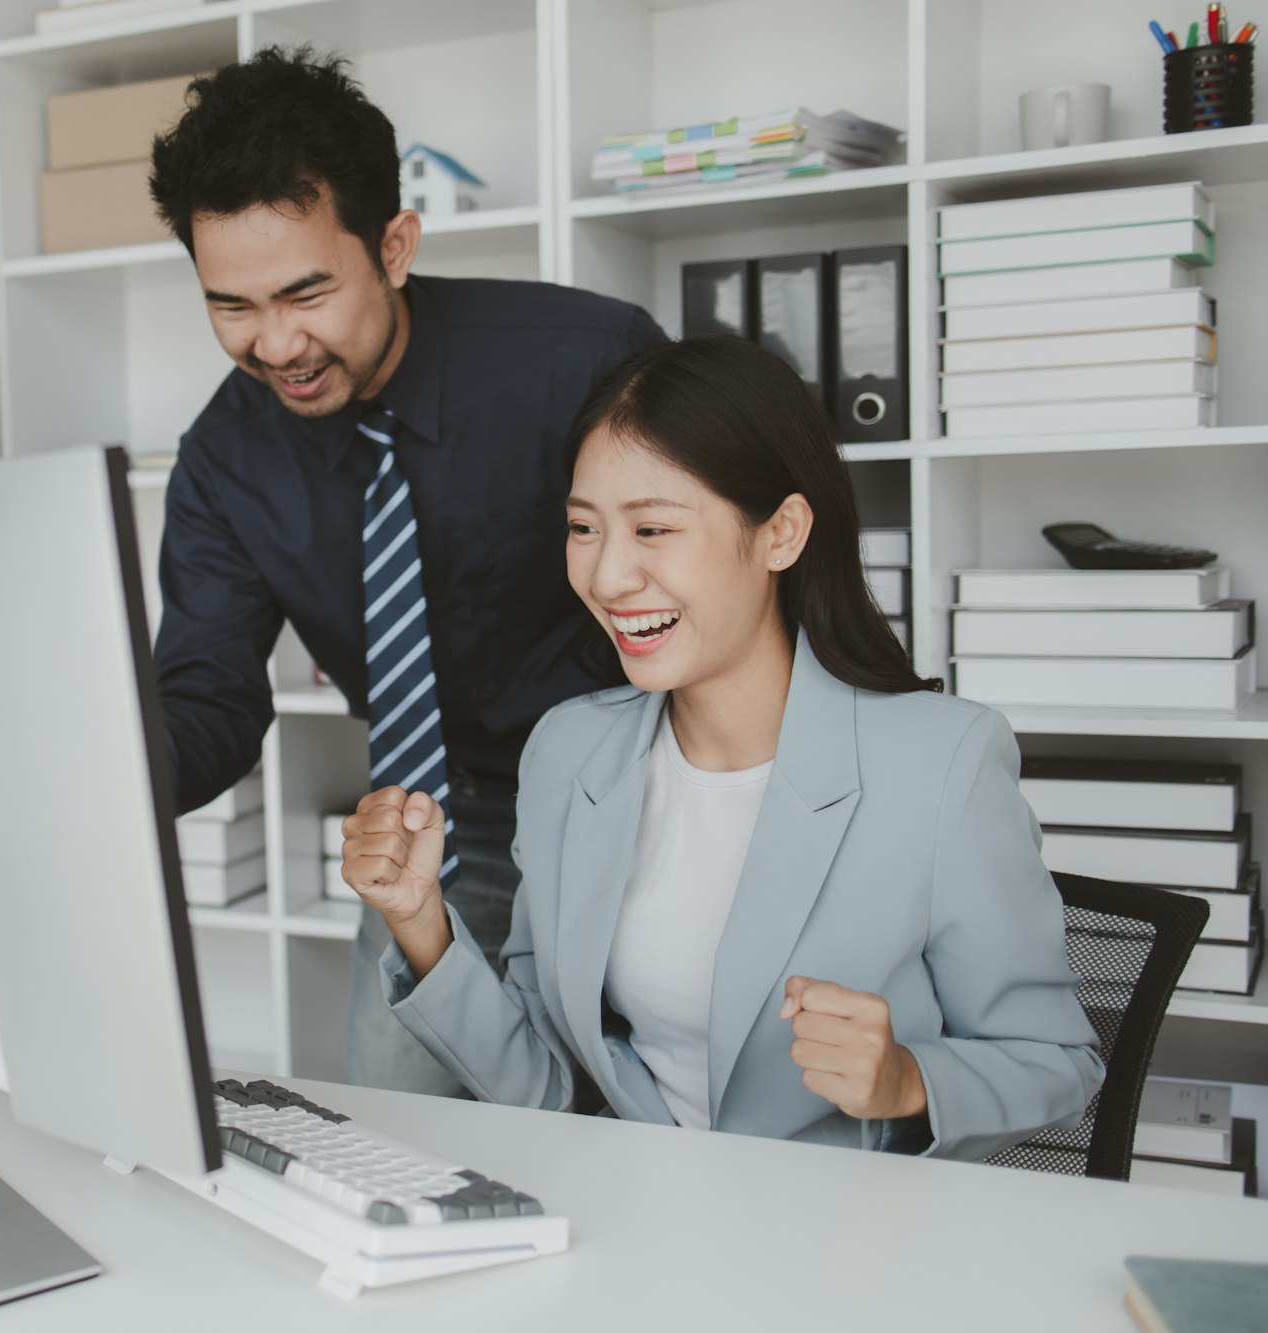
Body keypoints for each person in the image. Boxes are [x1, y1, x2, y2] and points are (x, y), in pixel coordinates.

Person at [341, 336, 1104, 1158]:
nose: (607, 577)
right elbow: (546, 1082)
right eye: (583, 527)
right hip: (645, 1226)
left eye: (654, 528)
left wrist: (907, 1081)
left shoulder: (945, 762)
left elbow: (1057, 1063)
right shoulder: (568, 752)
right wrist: (421, 920)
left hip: (849, 1245)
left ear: (781, 533)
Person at [146, 48, 665, 1095]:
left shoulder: (585, 362)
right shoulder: (222, 462)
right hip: (436, 823)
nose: (275, 343)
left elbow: (718, 589)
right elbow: (207, 700)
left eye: (305, 291)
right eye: (230, 306)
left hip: (644, 794)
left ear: (392, 244)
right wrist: (101, 767)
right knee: (398, 1151)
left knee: (664, 1123)